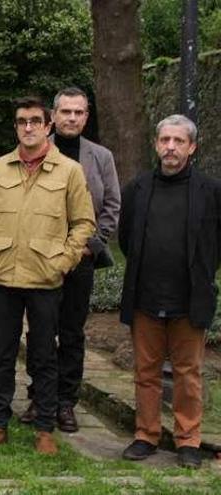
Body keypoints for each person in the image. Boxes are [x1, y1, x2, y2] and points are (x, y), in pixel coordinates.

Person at [0, 96, 95, 455]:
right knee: (2, 354)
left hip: (46, 279)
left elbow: (84, 222)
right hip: (4, 278)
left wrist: (64, 260)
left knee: (44, 356)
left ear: (48, 126)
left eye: (35, 121)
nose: (28, 127)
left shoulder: (69, 170)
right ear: (16, 127)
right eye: (22, 121)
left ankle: (44, 429)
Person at [118, 114, 220, 469]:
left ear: (192, 147)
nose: (171, 148)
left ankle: (187, 439)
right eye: (165, 140)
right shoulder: (139, 188)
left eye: (179, 141)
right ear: (156, 144)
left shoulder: (211, 192)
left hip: (190, 299)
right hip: (146, 296)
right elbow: (126, 239)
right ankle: (146, 434)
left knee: (187, 373)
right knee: (145, 372)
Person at [21, 87, 122, 431]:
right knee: (40, 330)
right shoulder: (35, 152)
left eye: (79, 113)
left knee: (72, 332)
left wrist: (92, 246)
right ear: (53, 116)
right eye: (66, 112)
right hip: (40, 258)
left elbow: (111, 206)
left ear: (86, 117)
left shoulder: (100, 157)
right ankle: (39, 397)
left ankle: (65, 402)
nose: (72, 118)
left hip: (81, 259)